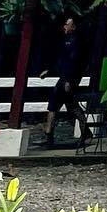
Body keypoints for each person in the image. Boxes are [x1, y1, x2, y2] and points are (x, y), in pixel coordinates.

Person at [39, 15, 90, 148]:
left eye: (68, 25)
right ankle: (85, 130)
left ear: (74, 27)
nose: (65, 27)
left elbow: (74, 63)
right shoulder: (65, 41)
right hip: (65, 77)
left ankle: (50, 135)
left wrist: (69, 80)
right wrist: (49, 70)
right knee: (69, 105)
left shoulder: (76, 43)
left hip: (68, 79)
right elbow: (61, 60)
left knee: (57, 104)